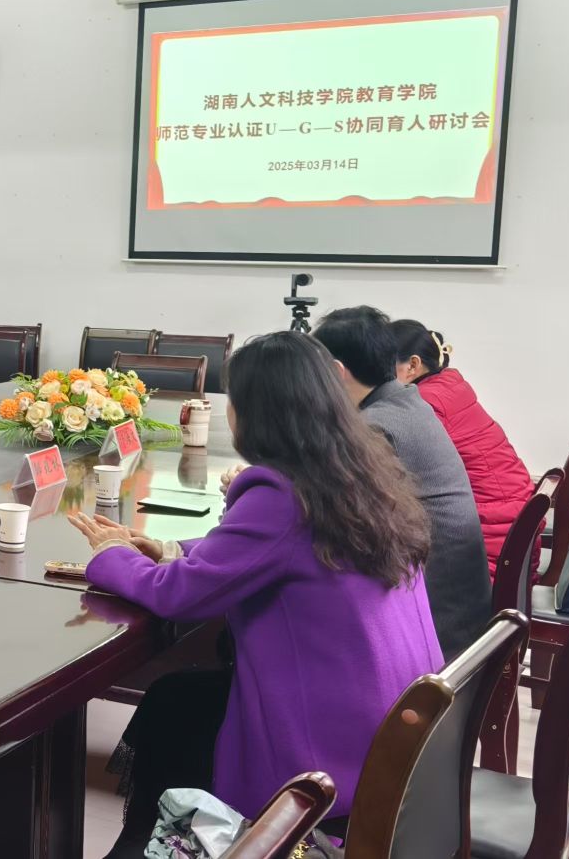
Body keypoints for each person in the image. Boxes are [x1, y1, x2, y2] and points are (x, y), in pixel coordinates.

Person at [66, 332, 444, 856]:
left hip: (324, 752)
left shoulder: (281, 491)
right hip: (389, 729)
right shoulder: (359, 469)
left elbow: (180, 597)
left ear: (254, 412)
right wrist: (171, 549)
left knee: (176, 714)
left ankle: (166, 846)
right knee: (175, 700)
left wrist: (112, 554)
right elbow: (276, 552)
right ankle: (152, 844)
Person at [314, 305, 493, 660]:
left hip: (436, 634)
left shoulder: (376, 427)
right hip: (462, 616)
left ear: (334, 372)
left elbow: (336, 527)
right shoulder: (409, 402)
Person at [393, 319, 533, 572]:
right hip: (512, 531)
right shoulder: (448, 385)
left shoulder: (424, 401)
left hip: (486, 550)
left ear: (413, 365)